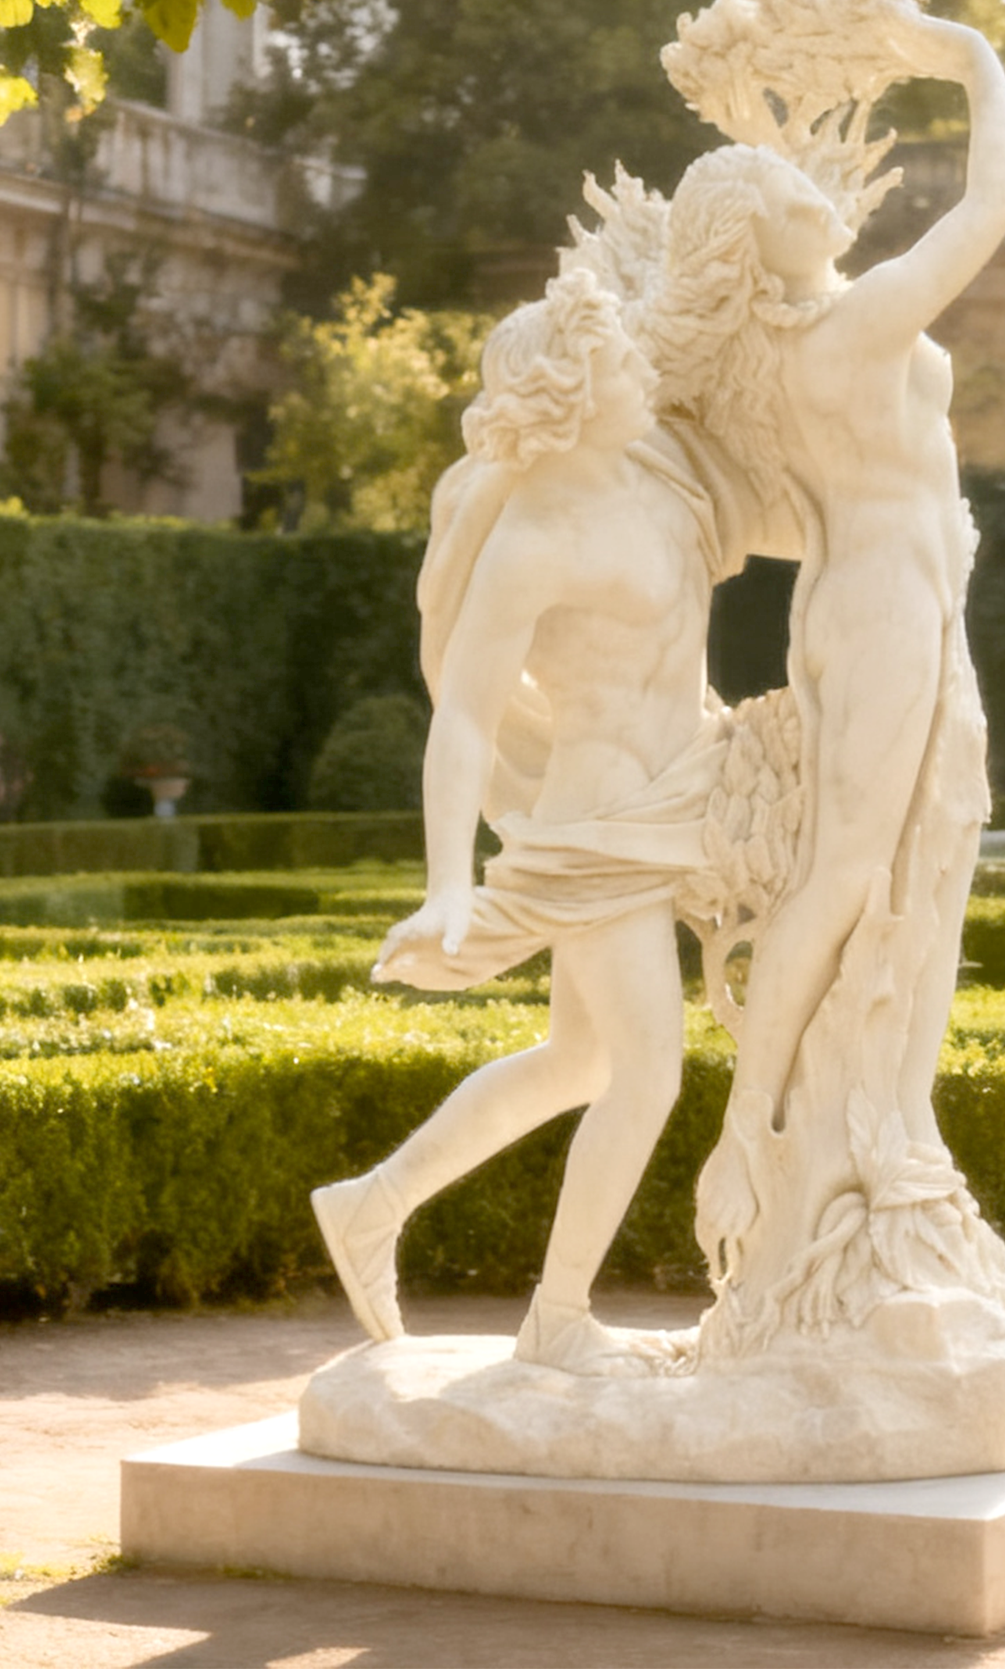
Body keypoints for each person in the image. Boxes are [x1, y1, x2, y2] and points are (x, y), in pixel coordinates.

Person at [645, 7, 1005, 1273]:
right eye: (778, 193)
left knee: (916, 862)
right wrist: (969, 58)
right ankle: (751, 1128)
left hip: (876, 601)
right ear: (754, 242)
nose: (808, 192)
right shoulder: (853, 328)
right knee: (853, 871)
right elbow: (991, 202)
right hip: (882, 608)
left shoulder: (790, 352)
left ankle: (885, 1118)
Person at [311, 267, 726, 1375]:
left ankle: (369, 1203)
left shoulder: (658, 467)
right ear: (571, 397)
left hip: (682, 795)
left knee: (579, 1059)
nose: (642, 369)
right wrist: (449, 879)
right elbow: (463, 717)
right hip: (600, 826)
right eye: (621, 362)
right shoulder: (534, 539)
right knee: (646, 1073)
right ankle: (558, 1319)